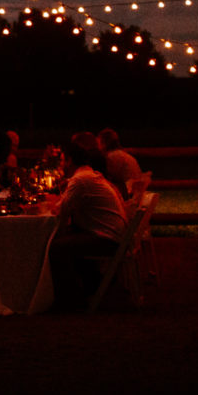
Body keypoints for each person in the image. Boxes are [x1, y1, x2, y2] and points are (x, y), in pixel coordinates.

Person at [48, 142, 127, 309]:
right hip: (114, 234)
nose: (61, 164)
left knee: (55, 247)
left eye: (62, 160)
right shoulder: (88, 176)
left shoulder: (80, 179)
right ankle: (93, 284)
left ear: (69, 161)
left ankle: (70, 301)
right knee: (70, 236)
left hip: (107, 239)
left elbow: (61, 210)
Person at [99, 129, 144, 197]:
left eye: (99, 143)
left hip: (128, 195)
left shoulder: (112, 157)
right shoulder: (123, 155)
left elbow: (109, 177)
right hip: (136, 193)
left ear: (104, 142)